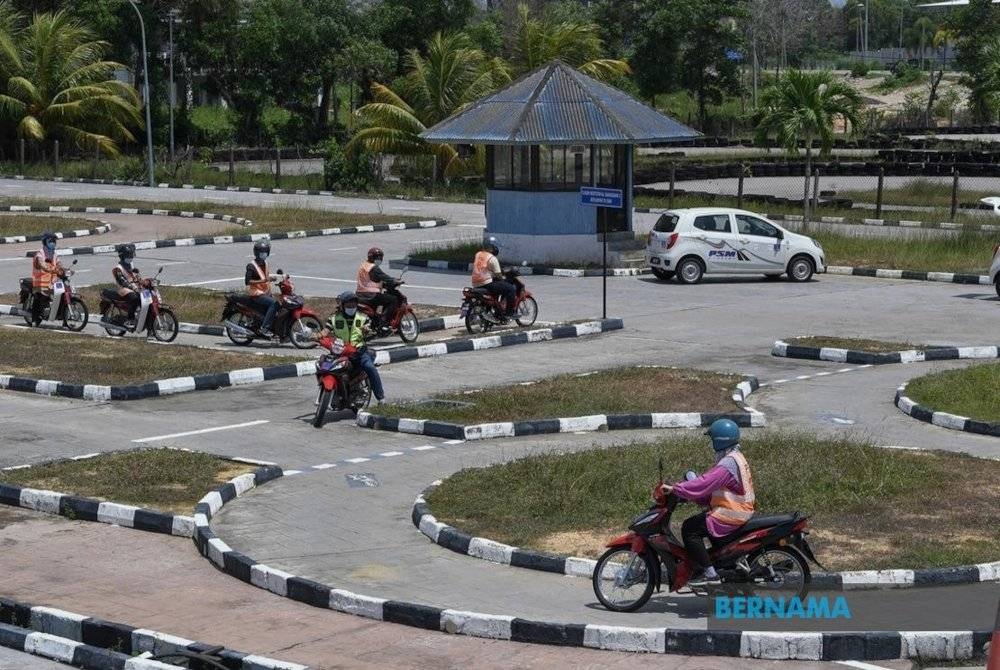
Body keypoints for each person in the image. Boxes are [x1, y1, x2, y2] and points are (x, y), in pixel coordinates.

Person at [661, 418, 755, 587]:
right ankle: (718, 565)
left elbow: (705, 483)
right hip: (737, 510)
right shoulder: (735, 457)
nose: (711, 443)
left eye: (712, 439)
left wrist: (676, 489)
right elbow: (711, 488)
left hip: (732, 514)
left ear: (720, 440)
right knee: (701, 523)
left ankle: (710, 575)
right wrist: (692, 493)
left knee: (690, 528)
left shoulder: (728, 463)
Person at [318, 291, 385, 404]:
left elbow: (367, 329)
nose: (351, 307)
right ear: (342, 305)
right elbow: (326, 330)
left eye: (353, 305)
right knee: (323, 365)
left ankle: (381, 398)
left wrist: (366, 331)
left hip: (358, 352)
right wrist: (317, 335)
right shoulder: (334, 318)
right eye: (348, 305)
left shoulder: (363, 317)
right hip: (339, 352)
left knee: (370, 367)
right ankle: (329, 390)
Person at [471, 236, 515, 320]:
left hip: (475, 283)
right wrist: (504, 279)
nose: (496, 249)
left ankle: (495, 309)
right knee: (510, 289)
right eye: (495, 247)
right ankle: (509, 313)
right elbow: (498, 274)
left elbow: (483, 268)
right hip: (487, 283)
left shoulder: (478, 254)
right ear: (491, 248)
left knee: (498, 287)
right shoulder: (492, 258)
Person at [355, 247, 398, 333]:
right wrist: (394, 280)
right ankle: (383, 324)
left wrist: (383, 284)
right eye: (378, 258)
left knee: (379, 304)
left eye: (379, 257)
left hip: (360, 294)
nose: (379, 259)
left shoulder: (363, 265)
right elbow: (384, 276)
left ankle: (375, 324)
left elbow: (373, 279)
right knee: (393, 300)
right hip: (371, 295)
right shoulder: (373, 267)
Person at [245, 239, 278, 338]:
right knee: (274, 303)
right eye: (262, 252)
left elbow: (266, 277)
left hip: (265, 293)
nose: (264, 254)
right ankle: (264, 328)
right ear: (257, 252)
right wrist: (263, 281)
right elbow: (247, 281)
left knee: (279, 305)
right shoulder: (251, 265)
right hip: (256, 294)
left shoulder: (266, 263)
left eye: (266, 252)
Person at [29, 232, 62, 326]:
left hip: (52, 282)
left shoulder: (54, 253)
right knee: (40, 299)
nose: (53, 243)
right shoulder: (40, 253)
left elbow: (59, 264)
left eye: (54, 241)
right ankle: (35, 319)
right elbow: (42, 264)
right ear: (45, 242)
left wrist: (64, 270)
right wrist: (50, 268)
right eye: (51, 241)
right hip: (40, 282)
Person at [112, 243, 142, 326]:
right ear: (122, 256)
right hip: (123, 289)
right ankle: (130, 319)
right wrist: (134, 287)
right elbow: (123, 282)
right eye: (129, 255)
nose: (131, 257)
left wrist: (143, 283)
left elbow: (136, 277)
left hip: (133, 288)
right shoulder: (118, 268)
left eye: (131, 255)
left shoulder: (131, 265)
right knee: (135, 299)